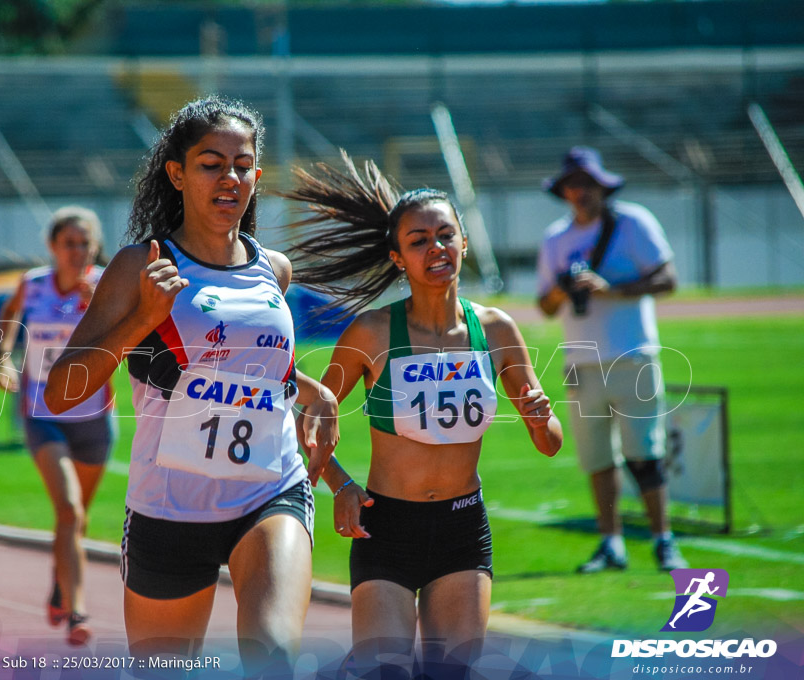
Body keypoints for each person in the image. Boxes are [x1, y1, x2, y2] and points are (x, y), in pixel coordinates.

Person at [43, 97, 338, 676]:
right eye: (211, 163)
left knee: (274, 657)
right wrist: (140, 319)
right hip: (169, 506)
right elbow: (60, 391)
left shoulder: (272, 269)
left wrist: (311, 390)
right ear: (177, 173)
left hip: (267, 490)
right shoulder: (139, 265)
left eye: (243, 164)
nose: (230, 177)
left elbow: (250, 363)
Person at [283, 154, 562, 676]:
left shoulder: (496, 330)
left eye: (445, 235)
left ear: (463, 242)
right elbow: (307, 415)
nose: (436, 248)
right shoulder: (372, 333)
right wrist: (340, 484)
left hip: (462, 529)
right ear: (398, 259)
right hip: (385, 528)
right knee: (383, 669)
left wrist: (537, 416)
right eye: (419, 241)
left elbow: (550, 442)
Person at [536, 146, 688, 573]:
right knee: (596, 459)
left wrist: (611, 290)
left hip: (633, 355)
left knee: (646, 454)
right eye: (572, 186)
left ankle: (663, 539)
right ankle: (611, 543)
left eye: (587, 184)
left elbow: (668, 278)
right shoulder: (555, 238)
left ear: (603, 187)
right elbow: (545, 304)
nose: (580, 193)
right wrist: (566, 289)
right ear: (563, 192)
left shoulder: (633, 223)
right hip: (582, 361)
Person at [0, 205, 112, 646]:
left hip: (94, 418)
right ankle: (77, 612)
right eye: (69, 244)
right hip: (44, 417)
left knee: (75, 521)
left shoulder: (105, 285)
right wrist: (4, 358)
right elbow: (10, 316)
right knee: (69, 509)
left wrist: (95, 303)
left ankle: (60, 578)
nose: (78, 251)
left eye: (86, 244)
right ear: (53, 247)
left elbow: (128, 334)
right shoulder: (33, 283)